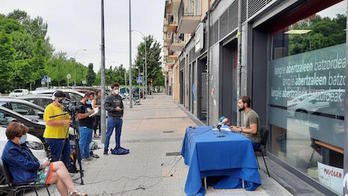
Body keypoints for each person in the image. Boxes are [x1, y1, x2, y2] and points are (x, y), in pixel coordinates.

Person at [1, 122, 86, 196]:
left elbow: (31, 160)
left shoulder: (18, 145)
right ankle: (73, 192)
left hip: (29, 172)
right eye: (24, 135)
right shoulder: (11, 150)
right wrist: (41, 165)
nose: (25, 136)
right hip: (25, 177)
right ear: (16, 136)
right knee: (57, 176)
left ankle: (73, 191)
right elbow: (27, 165)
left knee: (59, 164)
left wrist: (42, 162)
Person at [43, 90, 71, 168]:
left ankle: (64, 172)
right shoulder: (49, 108)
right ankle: (54, 174)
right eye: (61, 99)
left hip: (64, 136)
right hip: (53, 137)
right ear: (55, 98)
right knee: (55, 157)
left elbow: (67, 119)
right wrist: (63, 122)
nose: (62, 101)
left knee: (66, 156)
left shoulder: (62, 107)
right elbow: (49, 122)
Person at [104, 83, 129, 155]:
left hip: (119, 118)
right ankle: (105, 149)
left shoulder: (119, 97)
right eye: (115, 89)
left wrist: (122, 115)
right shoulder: (109, 98)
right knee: (108, 134)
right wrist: (114, 109)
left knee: (118, 134)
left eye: (117, 89)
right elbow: (106, 107)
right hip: (112, 118)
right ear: (112, 89)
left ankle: (118, 147)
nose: (117, 90)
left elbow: (122, 106)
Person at [76, 91, 96, 161]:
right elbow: (79, 116)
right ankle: (81, 157)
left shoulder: (88, 104)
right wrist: (89, 113)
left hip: (90, 125)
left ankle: (87, 155)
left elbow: (91, 111)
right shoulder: (80, 105)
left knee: (88, 142)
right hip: (84, 126)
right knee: (82, 142)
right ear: (86, 97)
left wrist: (93, 112)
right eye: (91, 98)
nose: (91, 100)